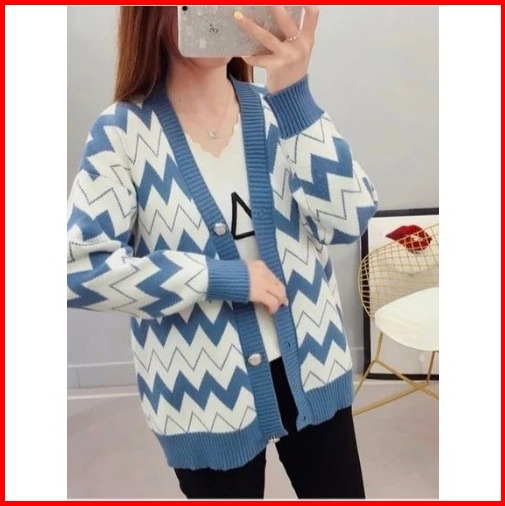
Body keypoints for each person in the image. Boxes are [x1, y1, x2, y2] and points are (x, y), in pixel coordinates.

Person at [67, 5, 378, 499]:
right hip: (204, 397)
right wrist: (218, 277)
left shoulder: (281, 110)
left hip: (313, 366)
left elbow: (351, 220)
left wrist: (296, 97)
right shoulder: (122, 132)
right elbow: (80, 269)